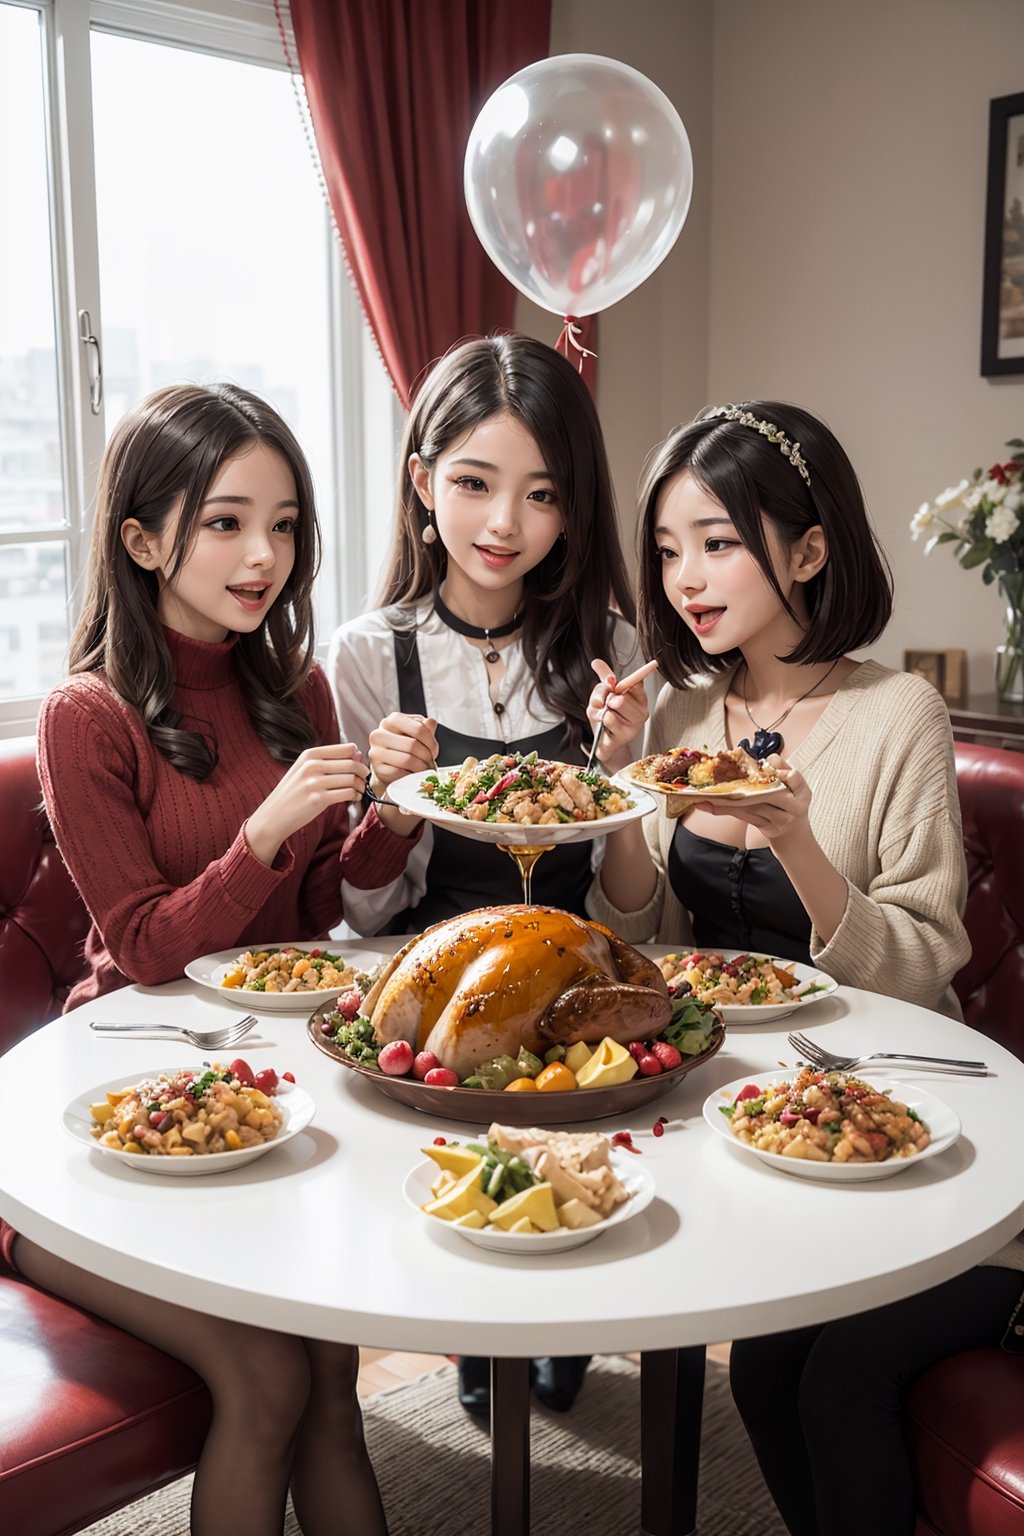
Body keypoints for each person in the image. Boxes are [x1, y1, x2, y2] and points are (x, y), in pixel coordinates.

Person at [1, 382, 414, 1536]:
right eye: (226, 521)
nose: (264, 554)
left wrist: (392, 813)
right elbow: (139, 946)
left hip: (264, 1098)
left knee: (332, 1380)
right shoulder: (85, 717)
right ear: (141, 538)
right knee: (272, 1376)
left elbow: (320, 904)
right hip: (109, 1125)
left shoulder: (295, 688)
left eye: (283, 523)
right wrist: (264, 831)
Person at [329, 333, 649, 1417]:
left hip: (576, 990)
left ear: (572, 512)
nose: (504, 524)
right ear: (423, 483)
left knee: (565, 1242)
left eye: (541, 493)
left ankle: (560, 1327)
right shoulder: (372, 656)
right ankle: (481, 1337)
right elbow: (360, 909)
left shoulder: (608, 646)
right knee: (474, 1250)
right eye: (473, 483)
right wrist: (380, 799)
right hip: (428, 991)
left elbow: (633, 908)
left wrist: (622, 775)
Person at [587, 399, 971, 1017]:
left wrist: (793, 838)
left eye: (716, 543)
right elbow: (635, 936)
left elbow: (921, 972)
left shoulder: (902, 715)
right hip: (719, 1062)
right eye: (667, 551)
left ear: (807, 553)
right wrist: (621, 776)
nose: (684, 578)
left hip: (870, 1068)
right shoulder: (682, 708)